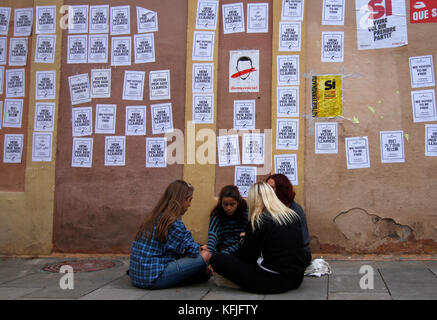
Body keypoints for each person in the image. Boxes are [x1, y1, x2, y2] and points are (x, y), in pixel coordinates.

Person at [210, 182, 307, 294]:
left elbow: (246, 256)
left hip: (273, 281)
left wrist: (243, 240)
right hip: (296, 279)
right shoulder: (292, 216)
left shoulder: (258, 221)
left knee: (216, 259)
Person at [129, 180, 211, 289]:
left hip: (136, 276)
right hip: (152, 277)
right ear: (182, 200)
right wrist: (202, 250)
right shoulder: (172, 222)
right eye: (189, 200)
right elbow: (193, 251)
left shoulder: (155, 216)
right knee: (206, 255)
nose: (189, 205)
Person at [266, 174, 312, 267]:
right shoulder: (267, 208)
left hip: (296, 252)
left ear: (281, 190)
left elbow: (304, 240)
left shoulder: (295, 209)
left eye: (271, 188)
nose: (267, 191)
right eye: (266, 188)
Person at [208, 185, 248, 255]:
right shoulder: (217, 214)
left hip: (240, 249)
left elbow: (247, 238)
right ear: (221, 203)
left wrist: (226, 252)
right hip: (222, 249)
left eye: (232, 204)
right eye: (225, 204)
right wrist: (210, 254)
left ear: (238, 203)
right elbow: (213, 235)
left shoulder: (245, 213)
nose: (228, 208)